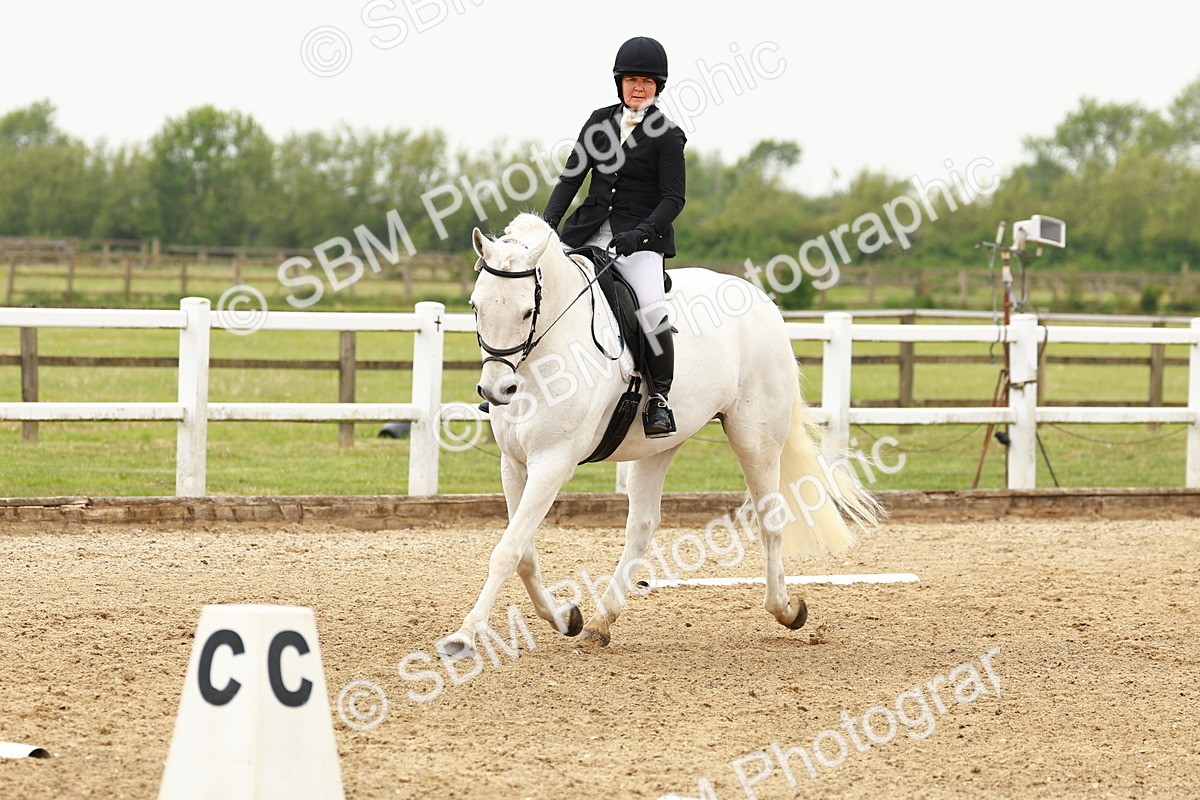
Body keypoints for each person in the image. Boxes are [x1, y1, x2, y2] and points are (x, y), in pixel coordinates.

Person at [541, 35, 687, 439]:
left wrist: (641, 234)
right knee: (538, 287)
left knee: (652, 311)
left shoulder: (668, 135)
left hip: (640, 240)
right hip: (586, 230)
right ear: (619, 82)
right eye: (631, 80)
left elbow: (674, 198)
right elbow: (572, 176)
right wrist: (547, 225)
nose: (638, 88)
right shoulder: (598, 121)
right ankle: (516, 377)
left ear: (658, 87)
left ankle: (660, 398)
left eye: (647, 82)